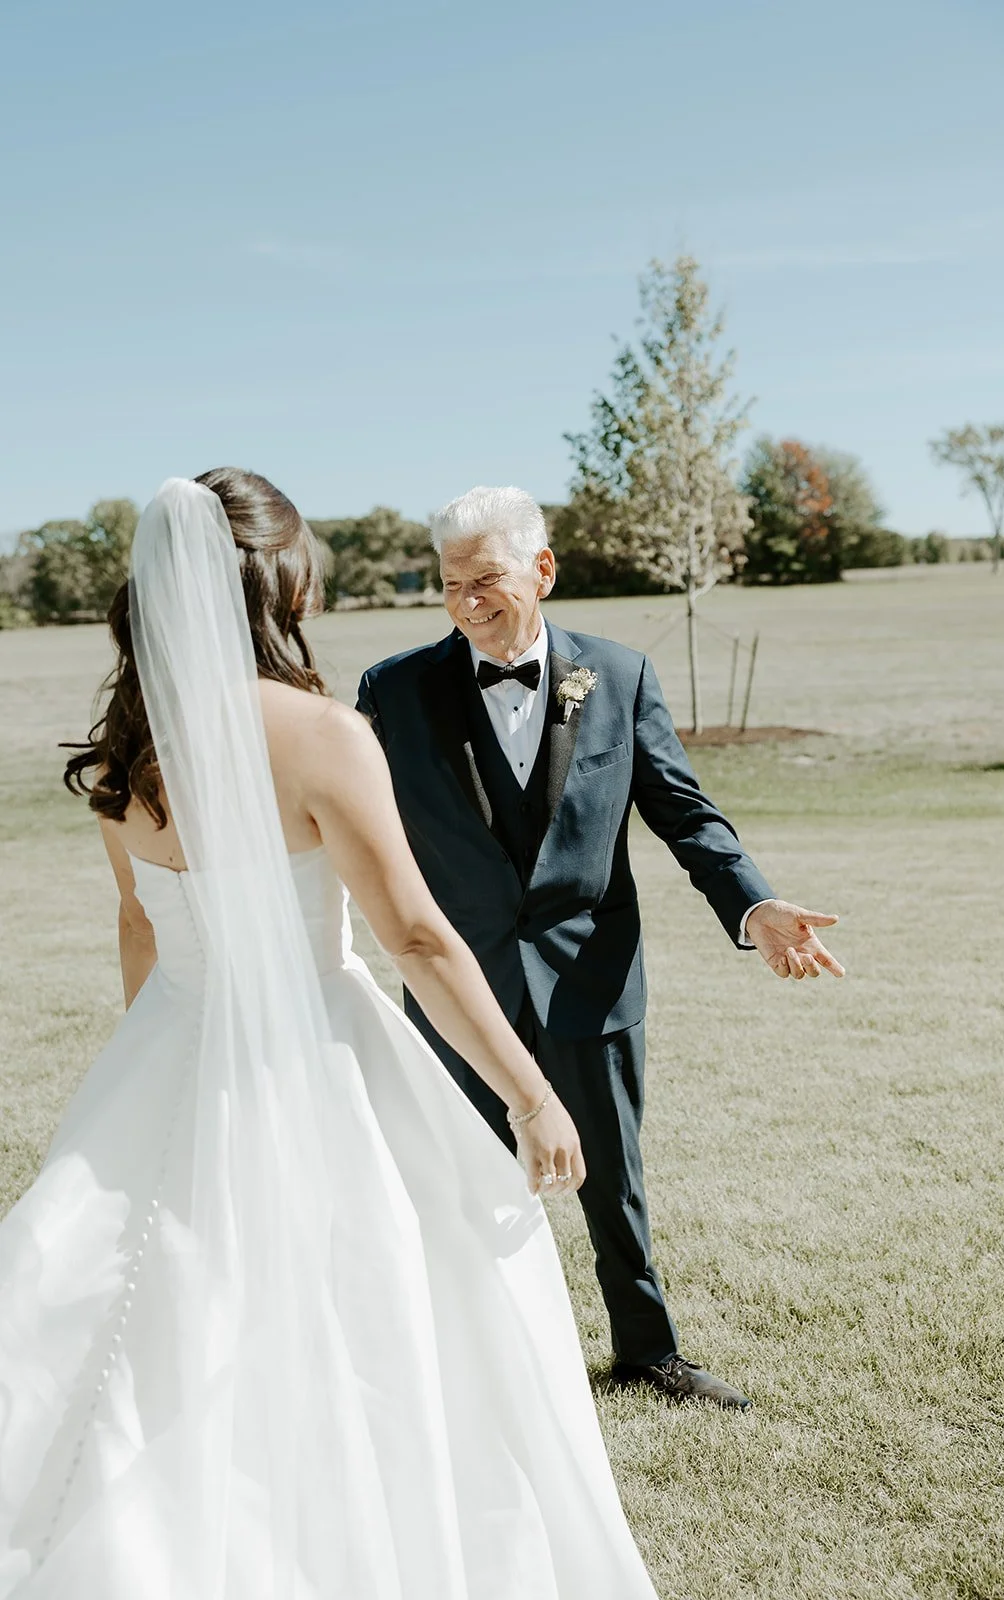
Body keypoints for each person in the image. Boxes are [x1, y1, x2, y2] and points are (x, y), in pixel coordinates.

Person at [0, 472, 659, 1599]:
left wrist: (153, 1075)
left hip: (165, 1046)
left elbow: (138, 927)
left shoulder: (128, 752)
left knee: (149, 1307)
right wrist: (530, 1093)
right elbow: (416, 936)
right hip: (319, 1048)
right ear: (277, 580)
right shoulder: (323, 735)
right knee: (408, 1294)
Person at [358, 486, 844, 1410]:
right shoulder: (394, 689)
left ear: (542, 570)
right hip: (462, 986)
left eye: (485, 579)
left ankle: (647, 1354)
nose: (466, 601)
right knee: (457, 1178)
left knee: (613, 1180)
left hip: (592, 976)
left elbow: (683, 814)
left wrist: (752, 904)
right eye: (451, 584)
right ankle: (466, 1364)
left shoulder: (617, 675)